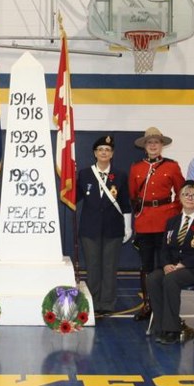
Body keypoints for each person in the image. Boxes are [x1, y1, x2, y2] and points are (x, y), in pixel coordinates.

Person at [147, 180, 194, 344]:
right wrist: (165, 264)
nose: (190, 198)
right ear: (179, 198)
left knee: (171, 279)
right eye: (186, 194)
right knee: (153, 278)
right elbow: (164, 249)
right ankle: (162, 325)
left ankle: (172, 330)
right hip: (174, 267)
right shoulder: (172, 222)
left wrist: (182, 265)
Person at [128, 127, 184, 320]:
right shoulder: (136, 168)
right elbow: (133, 195)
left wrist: (174, 214)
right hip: (144, 222)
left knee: (165, 264)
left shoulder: (172, 167)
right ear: (145, 146)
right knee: (146, 266)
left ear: (161, 145)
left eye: (156, 142)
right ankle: (148, 305)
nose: (153, 145)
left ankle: (165, 306)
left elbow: (182, 193)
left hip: (165, 222)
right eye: (149, 142)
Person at [78, 135, 132, 316]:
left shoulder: (121, 175)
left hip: (113, 228)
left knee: (109, 267)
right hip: (90, 228)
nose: (104, 152)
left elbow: (125, 202)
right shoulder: (85, 174)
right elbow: (74, 197)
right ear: (95, 153)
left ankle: (107, 303)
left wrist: (128, 226)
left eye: (107, 150)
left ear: (112, 154)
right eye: (100, 149)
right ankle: (93, 302)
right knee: (93, 267)